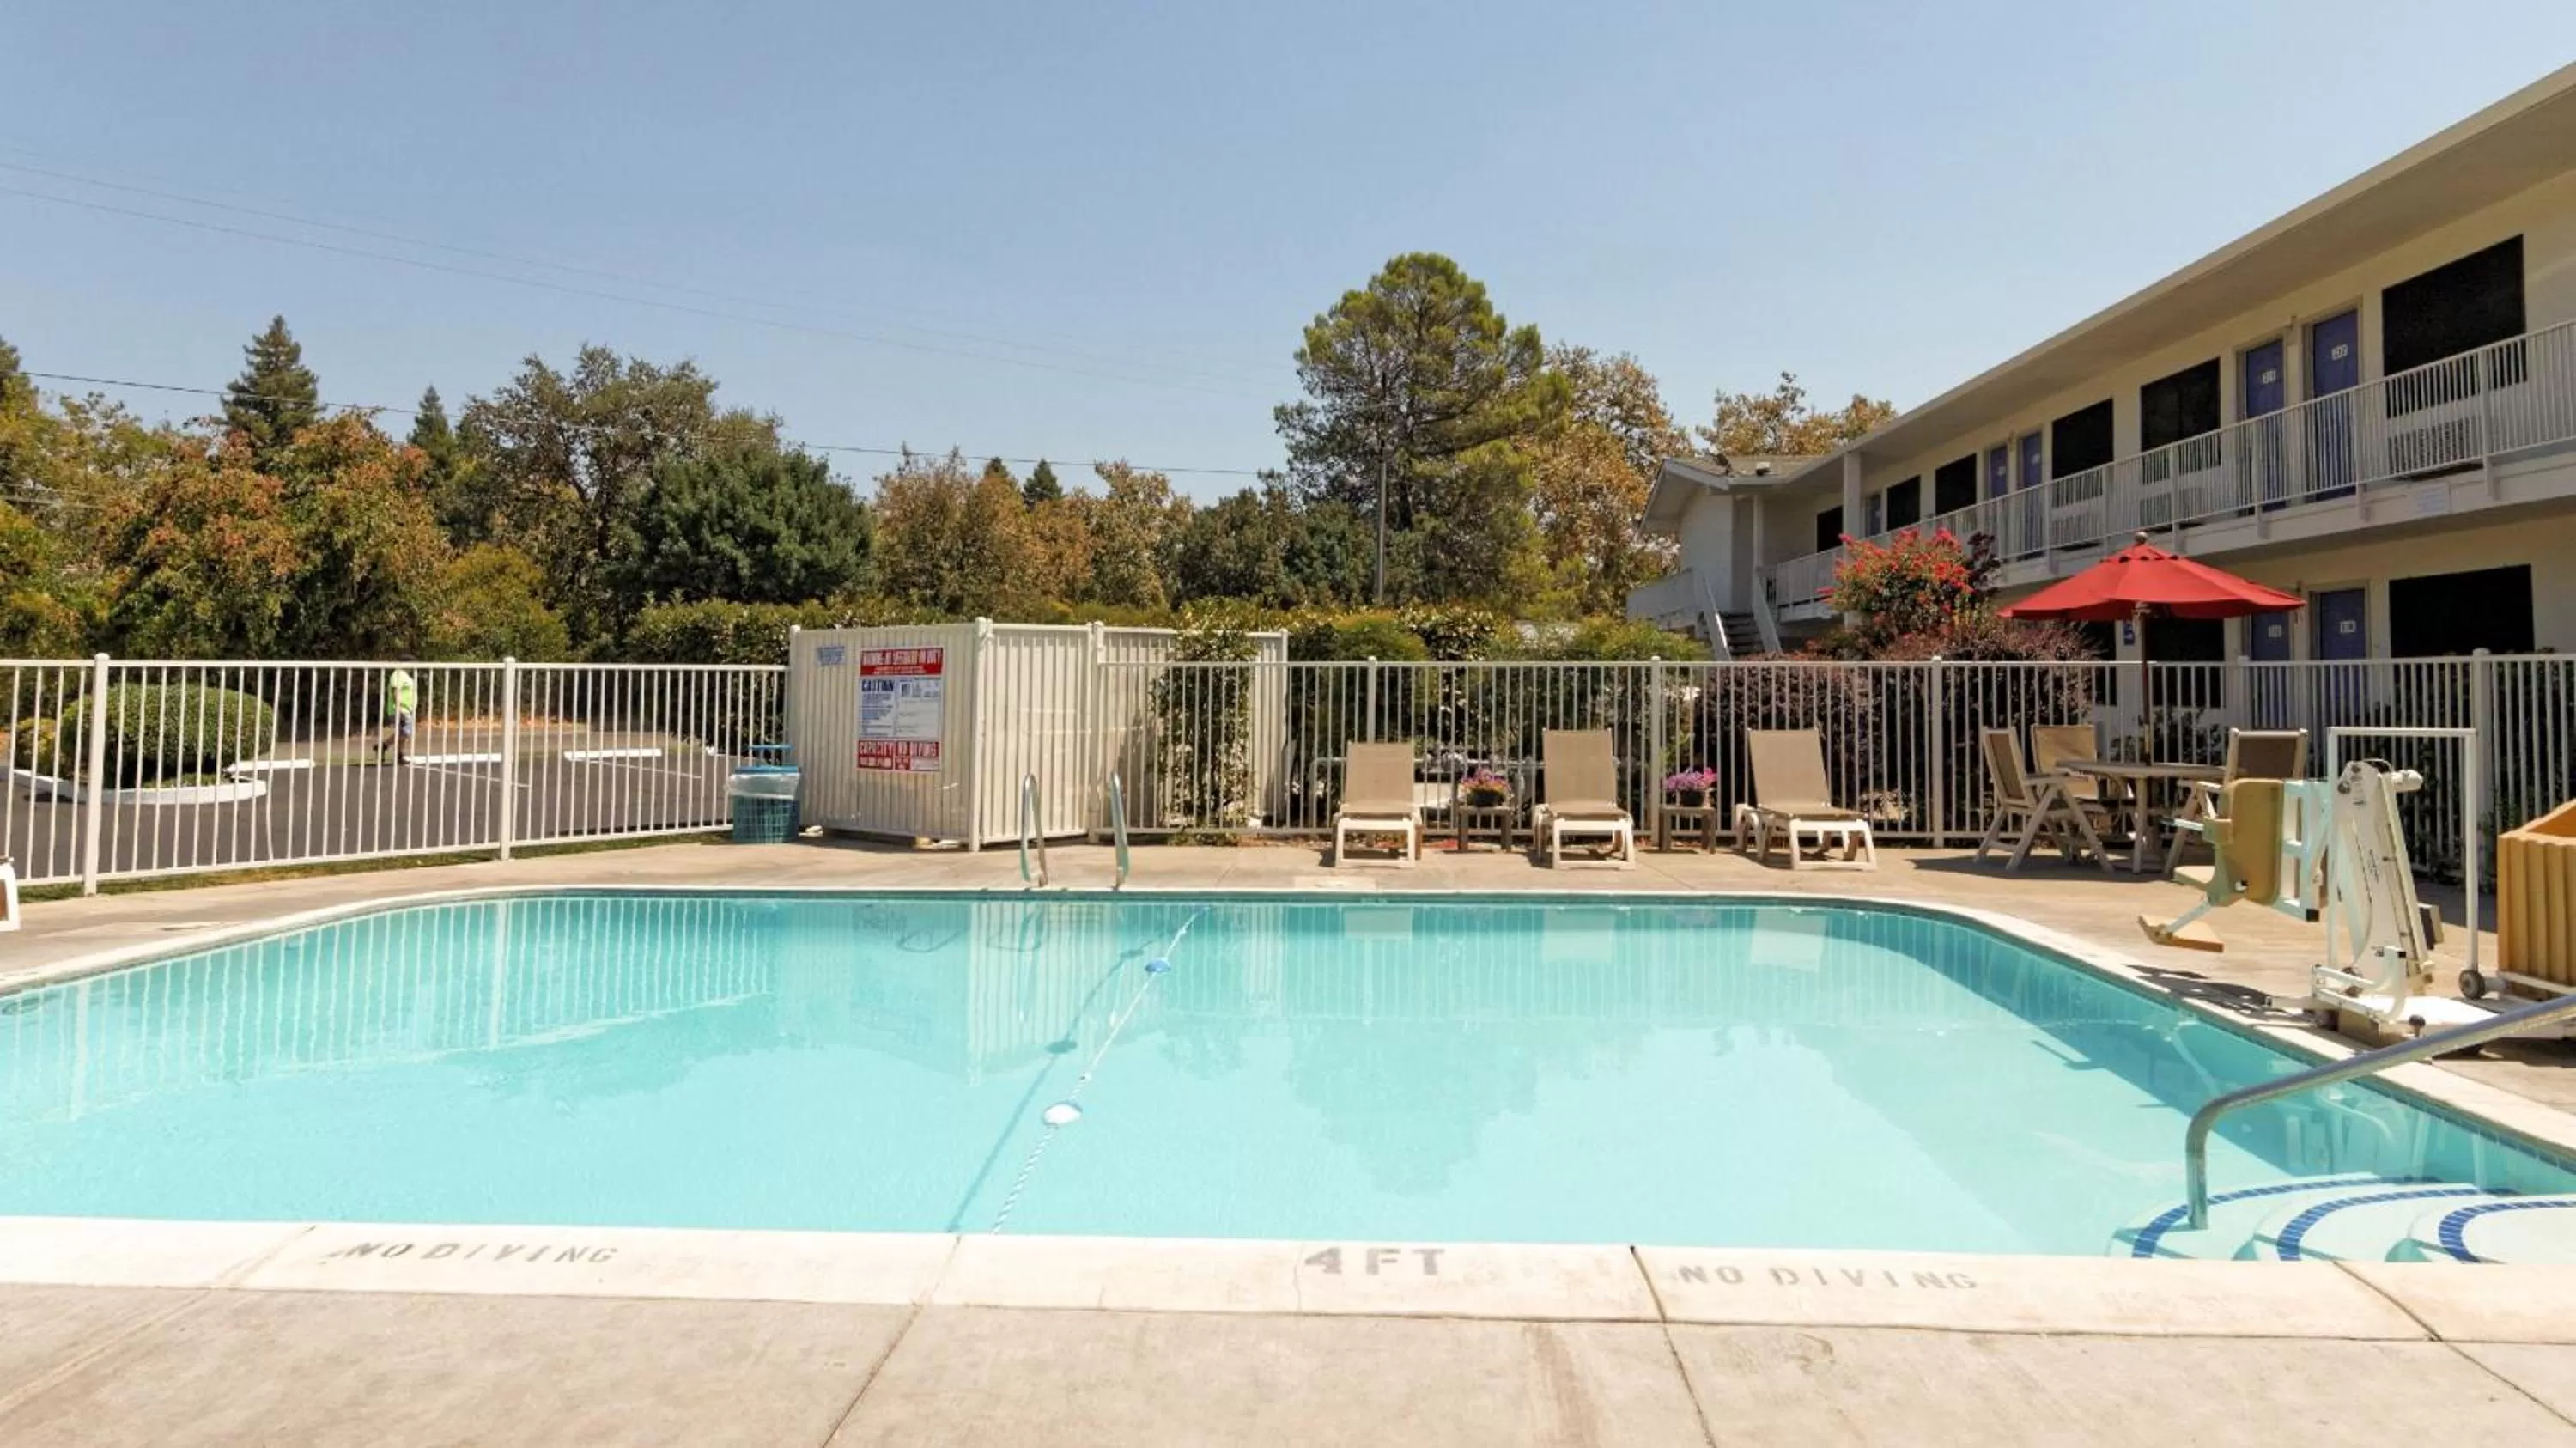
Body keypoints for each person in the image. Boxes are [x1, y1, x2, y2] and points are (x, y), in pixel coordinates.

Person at [374, 666, 417, 765]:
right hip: (400, 709)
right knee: (406, 732)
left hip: (407, 709)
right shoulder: (398, 674)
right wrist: (398, 709)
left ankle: (399, 755)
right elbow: (396, 691)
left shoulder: (406, 676)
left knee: (403, 733)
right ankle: (384, 746)